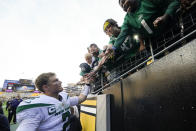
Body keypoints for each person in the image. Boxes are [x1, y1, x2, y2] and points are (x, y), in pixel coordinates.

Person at [16, 72, 92, 131]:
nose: (60, 82)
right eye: (56, 81)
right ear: (46, 87)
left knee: (74, 120)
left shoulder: (63, 96)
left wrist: (87, 84)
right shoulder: (36, 106)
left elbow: (81, 98)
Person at [106, 0, 179, 56]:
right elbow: (122, 34)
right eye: (122, 6)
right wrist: (114, 48)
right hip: (156, 42)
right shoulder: (127, 19)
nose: (124, 5)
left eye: (124, 1)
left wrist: (165, 16)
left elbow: (174, 2)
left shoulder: (145, 1)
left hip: (172, 30)